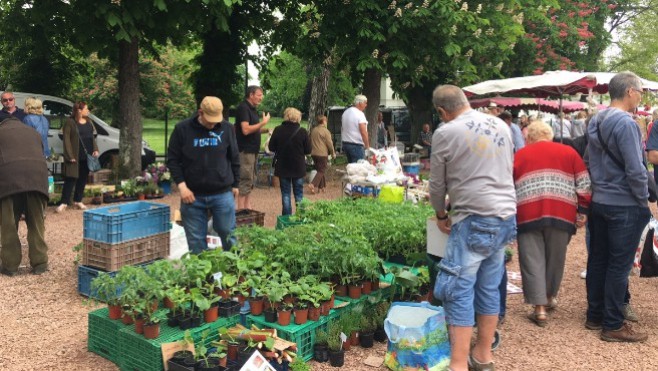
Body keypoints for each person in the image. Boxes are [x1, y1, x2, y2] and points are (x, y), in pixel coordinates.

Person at [430, 85, 516, 371]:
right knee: (489, 287)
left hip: (473, 217)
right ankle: (483, 356)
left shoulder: (446, 132)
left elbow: (437, 185)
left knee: (458, 290)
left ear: (442, 111)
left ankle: (458, 364)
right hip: (504, 216)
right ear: (466, 101)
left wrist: (441, 214)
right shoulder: (500, 125)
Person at [585, 71, 650, 343]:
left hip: (599, 200)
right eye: (641, 91)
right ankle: (612, 325)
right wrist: (642, 198)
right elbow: (636, 169)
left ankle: (595, 314)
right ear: (630, 92)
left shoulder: (595, 119)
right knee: (618, 265)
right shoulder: (627, 123)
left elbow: (588, 159)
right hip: (623, 203)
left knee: (598, 260)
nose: (642, 96)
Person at [514, 121, 591, 327]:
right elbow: (584, 183)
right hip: (562, 213)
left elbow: (508, 186)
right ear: (549, 135)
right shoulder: (568, 152)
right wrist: (582, 210)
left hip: (527, 213)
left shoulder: (519, 155)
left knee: (532, 259)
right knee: (555, 258)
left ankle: (539, 309)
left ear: (529, 137)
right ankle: (548, 298)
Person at [167, 96, 240, 253]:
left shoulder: (226, 128)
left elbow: (234, 157)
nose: (213, 123)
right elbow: (172, 160)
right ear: (200, 112)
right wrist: (182, 187)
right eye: (210, 119)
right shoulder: (182, 129)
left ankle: (235, 271)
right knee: (196, 242)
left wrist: (235, 184)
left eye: (216, 119)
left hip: (222, 193)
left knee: (229, 234)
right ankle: (205, 276)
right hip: (192, 195)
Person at [0, 117, 49, 276]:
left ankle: (10, 266)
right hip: (37, 178)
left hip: (9, 180)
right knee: (36, 223)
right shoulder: (33, 132)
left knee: (8, 225)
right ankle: (40, 263)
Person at [56, 102, 99, 213]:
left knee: (83, 178)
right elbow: (66, 141)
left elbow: (92, 138)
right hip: (74, 156)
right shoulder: (70, 123)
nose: (88, 110)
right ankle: (64, 202)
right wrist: (70, 156)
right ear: (79, 110)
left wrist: (95, 149)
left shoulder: (89, 122)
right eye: (86, 108)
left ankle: (78, 200)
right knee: (70, 178)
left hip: (87, 155)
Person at [268, 107, 311, 215]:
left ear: (286, 116)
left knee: (286, 193)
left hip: (283, 166)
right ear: (298, 118)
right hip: (298, 167)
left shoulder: (278, 129)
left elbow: (271, 147)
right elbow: (308, 150)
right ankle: (301, 216)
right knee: (299, 193)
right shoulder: (302, 131)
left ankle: (287, 217)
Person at [235, 85, 270, 210]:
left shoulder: (253, 109)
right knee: (245, 178)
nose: (261, 98)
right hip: (245, 150)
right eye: (259, 95)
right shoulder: (243, 108)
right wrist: (263, 122)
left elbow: (253, 129)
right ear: (251, 95)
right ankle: (240, 210)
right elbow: (245, 130)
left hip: (253, 150)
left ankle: (247, 207)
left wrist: (267, 130)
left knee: (251, 179)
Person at [309, 115, 336, 194]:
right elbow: (330, 144)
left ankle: (322, 188)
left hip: (314, 153)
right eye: (326, 121)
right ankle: (313, 184)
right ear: (324, 121)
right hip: (322, 154)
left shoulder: (313, 130)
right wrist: (333, 153)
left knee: (320, 170)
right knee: (321, 170)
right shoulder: (325, 131)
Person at [341, 95, 369, 163]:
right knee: (358, 169)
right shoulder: (360, 114)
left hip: (346, 143)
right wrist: (367, 146)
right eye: (365, 103)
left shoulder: (346, 112)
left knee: (351, 168)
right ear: (360, 103)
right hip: (356, 145)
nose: (366, 105)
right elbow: (363, 132)